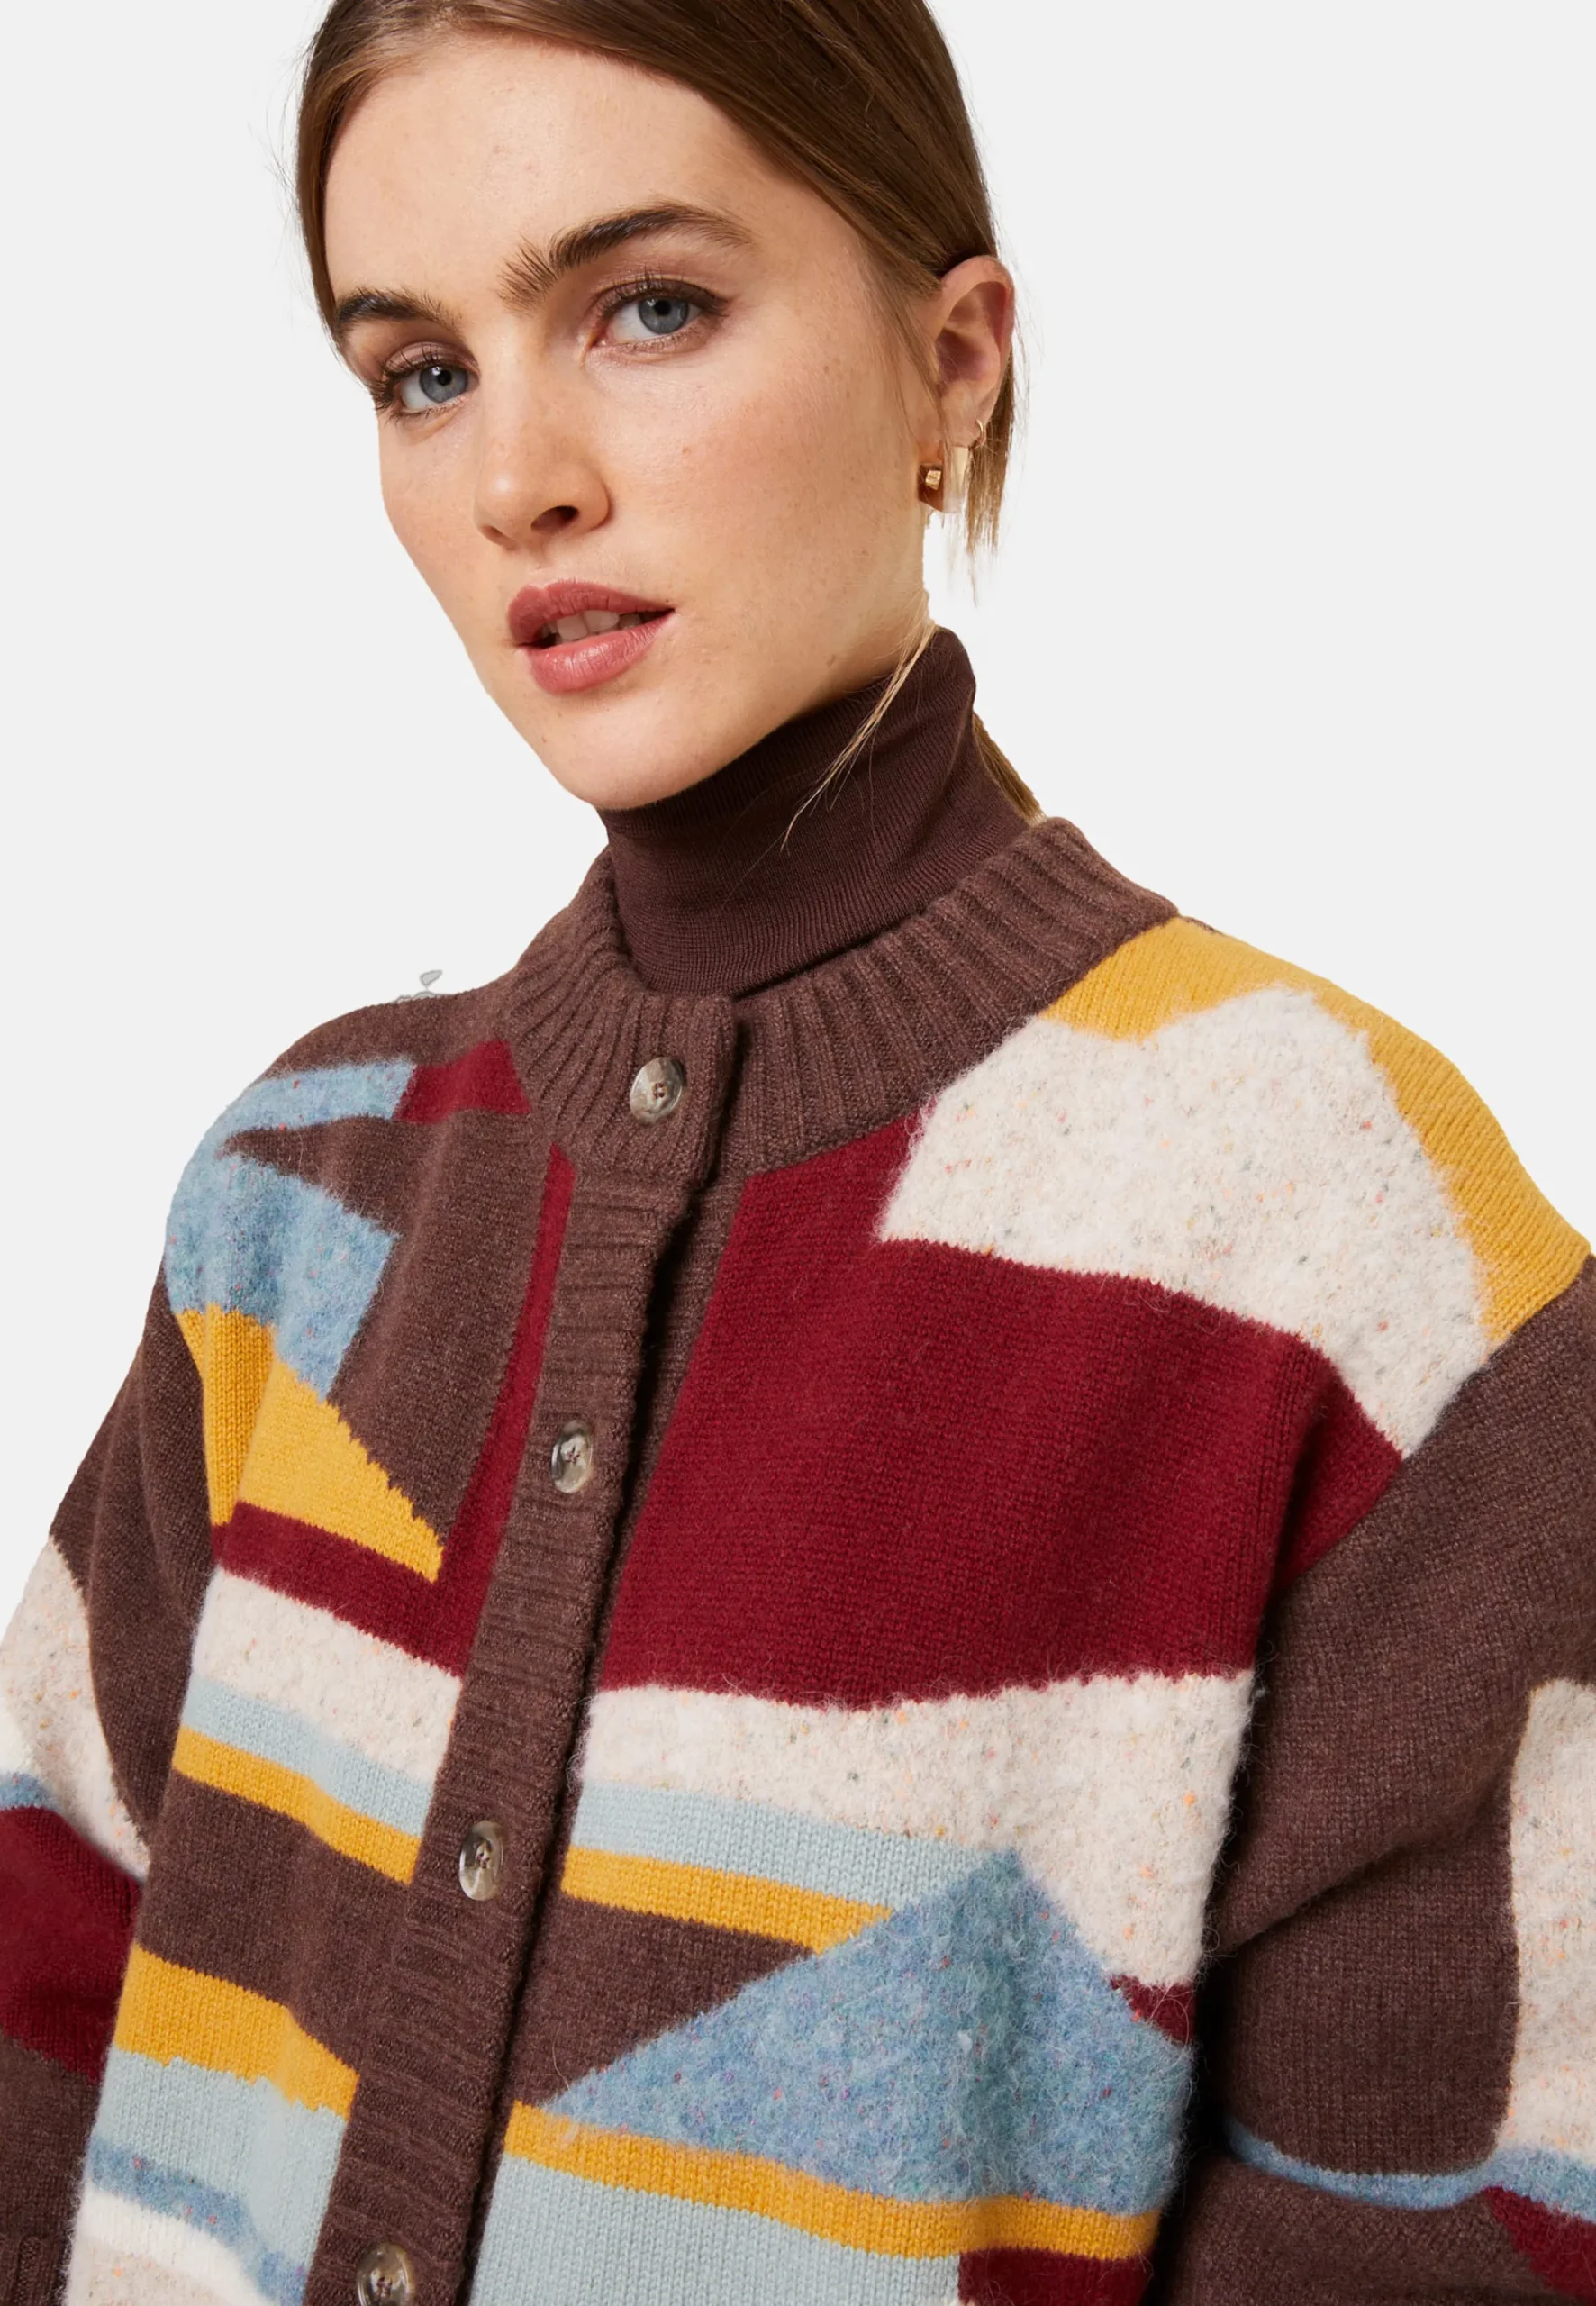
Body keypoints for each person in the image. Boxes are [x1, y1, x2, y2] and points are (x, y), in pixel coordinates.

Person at [2, 0, 1591, 2300]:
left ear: (954, 363)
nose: (519, 476)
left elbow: (1470, 2216)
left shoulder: (1329, 1221)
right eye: (419, 369)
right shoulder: (306, 1187)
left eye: (647, 308)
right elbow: (42, 2006)